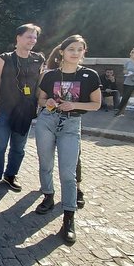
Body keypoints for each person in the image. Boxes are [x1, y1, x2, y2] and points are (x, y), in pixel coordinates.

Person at [33, 35, 101, 243]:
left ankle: (69, 218)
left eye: (80, 49)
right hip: (47, 121)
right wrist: (49, 102)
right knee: (46, 163)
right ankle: (48, 195)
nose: (76, 53)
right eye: (72, 49)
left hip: (71, 124)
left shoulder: (90, 75)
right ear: (62, 52)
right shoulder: (50, 75)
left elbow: (96, 104)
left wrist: (75, 105)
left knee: (68, 172)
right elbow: (41, 99)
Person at [0, 24, 44, 190]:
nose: (32, 40)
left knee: (19, 148)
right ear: (18, 37)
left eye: (34, 37)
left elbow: (39, 86)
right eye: (29, 36)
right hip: (4, 109)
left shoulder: (38, 59)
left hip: (25, 111)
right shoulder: (5, 58)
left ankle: (10, 175)